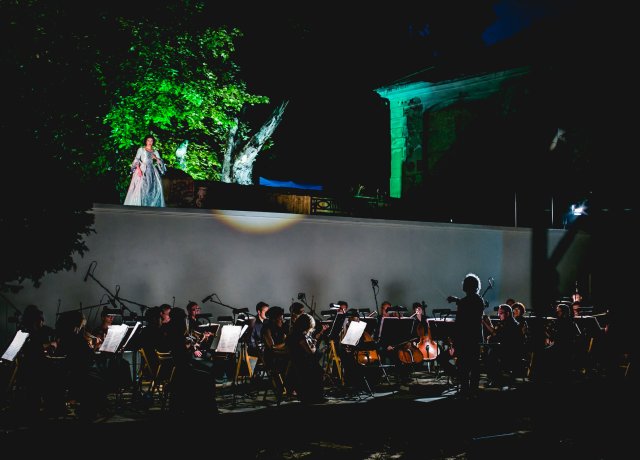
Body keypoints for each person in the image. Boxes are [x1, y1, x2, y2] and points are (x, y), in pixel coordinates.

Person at [447, 273, 486, 398]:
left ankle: (465, 390)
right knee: (474, 365)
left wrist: (454, 338)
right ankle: (473, 390)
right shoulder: (479, 300)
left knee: (463, 365)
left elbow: (459, 323)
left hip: (464, 338)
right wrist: (457, 300)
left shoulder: (464, 303)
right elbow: (470, 303)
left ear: (465, 286)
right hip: (476, 337)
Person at [285, 313, 325, 403]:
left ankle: (314, 395)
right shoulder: (300, 336)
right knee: (319, 370)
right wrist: (314, 346)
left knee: (317, 367)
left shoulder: (292, 334)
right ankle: (315, 396)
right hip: (301, 364)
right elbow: (310, 352)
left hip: (295, 363)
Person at [123, 135, 167, 207]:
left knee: (153, 189)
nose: (150, 142)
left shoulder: (155, 151)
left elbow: (161, 163)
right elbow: (136, 160)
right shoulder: (141, 149)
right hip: (142, 169)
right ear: (146, 141)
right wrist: (138, 169)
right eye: (148, 140)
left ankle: (150, 206)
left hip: (152, 171)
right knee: (141, 188)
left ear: (153, 142)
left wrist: (155, 158)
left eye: (151, 141)